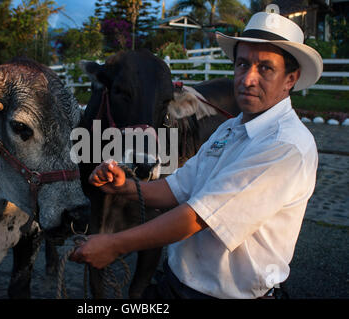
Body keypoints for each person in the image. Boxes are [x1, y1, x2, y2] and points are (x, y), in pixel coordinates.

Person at [69, 9, 323, 299]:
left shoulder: (285, 146)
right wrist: (125, 187)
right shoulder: (230, 129)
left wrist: (114, 245)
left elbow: (197, 217)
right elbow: (177, 187)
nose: (248, 79)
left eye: (265, 68)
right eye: (242, 64)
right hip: (176, 284)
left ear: (291, 79)